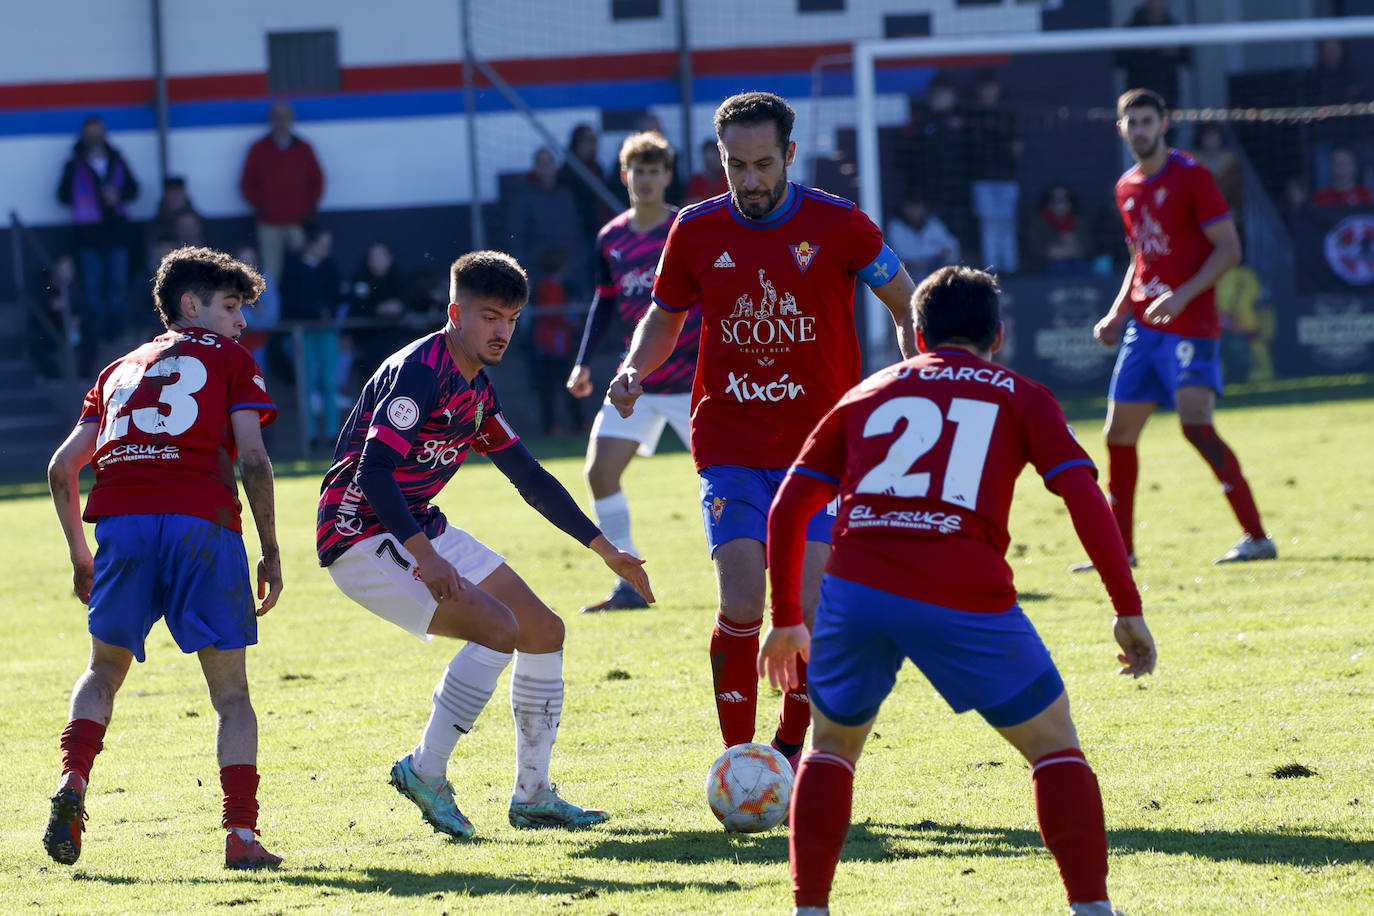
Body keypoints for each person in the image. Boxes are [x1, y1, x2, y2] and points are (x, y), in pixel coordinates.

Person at [758, 265, 1156, 916]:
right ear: (998, 336)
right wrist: (1126, 608)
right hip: (960, 592)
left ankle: (810, 909)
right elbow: (1085, 496)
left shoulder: (864, 395)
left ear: (916, 337)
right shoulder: (1022, 395)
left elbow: (788, 508)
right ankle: (1092, 908)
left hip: (856, 590)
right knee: (1054, 745)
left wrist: (784, 617)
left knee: (830, 748)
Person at [607, 91, 918, 766]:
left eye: (763, 164)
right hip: (731, 447)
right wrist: (634, 368)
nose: (749, 180)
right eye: (735, 165)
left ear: (790, 157)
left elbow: (905, 300)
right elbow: (664, 318)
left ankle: (783, 754)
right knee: (745, 602)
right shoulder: (694, 230)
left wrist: (918, 370)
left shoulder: (842, 225)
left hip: (820, 452)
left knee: (801, 613)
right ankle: (737, 760)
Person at [316, 250, 652, 839]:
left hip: (416, 521)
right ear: (456, 313)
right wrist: (428, 557)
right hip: (360, 531)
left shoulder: (476, 388)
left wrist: (606, 550)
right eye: (490, 316)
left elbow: (530, 477)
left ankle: (534, 795)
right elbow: (372, 474)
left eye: (512, 319)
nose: (503, 331)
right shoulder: (420, 372)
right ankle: (425, 771)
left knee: (544, 630)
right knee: (498, 629)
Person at [43, 246, 284, 870]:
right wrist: (271, 549)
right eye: (230, 307)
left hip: (120, 526)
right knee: (231, 695)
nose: (240, 322)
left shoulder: (117, 370)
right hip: (202, 523)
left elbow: (62, 468)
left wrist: (79, 555)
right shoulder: (232, 360)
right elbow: (254, 459)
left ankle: (73, 785)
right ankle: (241, 836)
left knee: (102, 671)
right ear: (189, 305)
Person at [1076, 88, 1274, 571]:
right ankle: (1121, 553)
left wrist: (1182, 296)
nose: (1140, 130)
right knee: (1118, 434)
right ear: (1121, 129)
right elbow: (1139, 258)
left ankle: (1256, 536)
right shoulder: (1126, 188)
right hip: (1143, 328)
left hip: (1191, 323)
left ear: (1163, 125)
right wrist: (1118, 311)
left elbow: (1229, 249)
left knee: (1195, 423)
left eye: (1148, 121)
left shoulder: (1191, 177)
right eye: (1132, 122)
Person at [566, 131, 698, 612]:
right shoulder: (611, 239)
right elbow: (604, 305)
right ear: (625, 176)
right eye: (637, 171)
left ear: (667, 176)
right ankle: (628, 582)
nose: (645, 179)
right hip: (635, 383)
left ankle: (770, 569)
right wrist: (583, 361)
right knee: (599, 472)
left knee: (727, 481)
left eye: (654, 171)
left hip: (694, 381)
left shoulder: (686, 228)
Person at [58, 115, 139, 346]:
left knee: (117, 288)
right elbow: (62, 196)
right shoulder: (73, 165)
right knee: (92, 290)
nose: (95, 137)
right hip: (87, 237)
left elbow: (134, 190)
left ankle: (118, 333)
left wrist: (118, 195)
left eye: (98, 131)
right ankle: (97, 336)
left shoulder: (117, 160)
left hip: (116, 235)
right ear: (84, 136)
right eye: (90, 132)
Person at [239, 100, 325, 284]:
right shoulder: (258, 149)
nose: (281, 121)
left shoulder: (304, 148)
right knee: (270, 273)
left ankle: (304, 308)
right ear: (271, 120)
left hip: (298, 222)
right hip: (268, 224)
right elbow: (246, 183)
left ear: (291, 119)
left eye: (285, 116)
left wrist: (306, 210)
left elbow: (317, 181)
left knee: (305, 266)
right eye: (277, 117)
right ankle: (273, 311)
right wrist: (262, 207)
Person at [280, 226, 344, 449]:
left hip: (325, 331)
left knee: (329, 381)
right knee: (306, 383)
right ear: (310, 243)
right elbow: (287, 300)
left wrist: (328, 311)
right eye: (322, 245)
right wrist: (311, 312)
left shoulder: (330, 265)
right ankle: (311, 435)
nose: (326, 250)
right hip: (303, 331)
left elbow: (337, 296)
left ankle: (333, 433)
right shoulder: (293, 266)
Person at [507, 147, 587, 297]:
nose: (546, 168)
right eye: (541, 163)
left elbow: (576, 233)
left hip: (569, 265)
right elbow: (516, 237)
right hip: (537, 266)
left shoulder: (567, 196)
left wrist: (568, 269)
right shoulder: (523, 198)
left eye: (549, 162)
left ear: (556, 166)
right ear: (535, 167)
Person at [965, 71, 1023, 274]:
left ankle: (1011, 269)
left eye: (992, 88)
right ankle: (993, 270)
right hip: (982, 180)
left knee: (1007, 225)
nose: (989, 93)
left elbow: (1017, 147)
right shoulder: (972, 115)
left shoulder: (1008, 114)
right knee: (989, 226)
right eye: (985, 89)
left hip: (1006, 179)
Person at [528, 244, 585, 437]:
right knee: (553, 390)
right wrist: (573, 323)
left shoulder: (553, 285)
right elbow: (554, 316)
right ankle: (554, 428)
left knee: (564, 388)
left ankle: (576, 425)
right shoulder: (548, 286)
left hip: (557, 345)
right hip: (551, 347)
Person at [1114, 0, 1191, 116]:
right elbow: (1118, 60)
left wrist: (1174, 51)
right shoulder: (1132, 28)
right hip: (1138, 94)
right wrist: (1139, 48)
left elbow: (1189, 59)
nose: (1158, 4)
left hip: (1167, 94)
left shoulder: (1173, 27)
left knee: (1167, 130)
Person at [885, 191, 961, 281]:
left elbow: (951, 247)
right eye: (911, 207)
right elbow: (908, 258)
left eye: (918, 207)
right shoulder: (895, 226)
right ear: (903, 208)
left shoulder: (932, 223)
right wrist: (935, 252)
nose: (915, 211)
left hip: (934, 271)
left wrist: (931, 258)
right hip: (906, 277)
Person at [1027, 183, 1091, 276]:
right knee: (1060, 266)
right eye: (1055, 200)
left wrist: (1070, 249)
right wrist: (1057, 249)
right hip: (1046, 270)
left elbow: (1089, 248)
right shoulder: (1039, 223)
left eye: (1065, 199)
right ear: (1048, 203)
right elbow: (1036, 252)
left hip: (1079, 266)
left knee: (1082, 266)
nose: (1061, 203)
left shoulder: (1080, 221)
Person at [685, 138, 729, 204]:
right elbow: (689, 202)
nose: (711, 163)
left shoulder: (728, 178)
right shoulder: (697, 180)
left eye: (714, 158)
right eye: (708, 160)